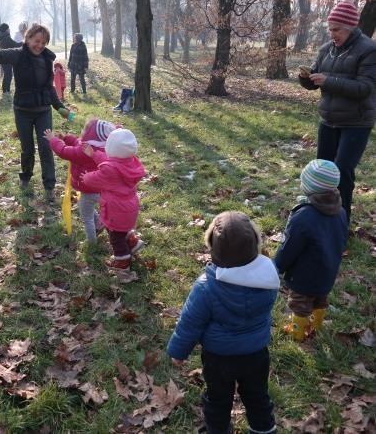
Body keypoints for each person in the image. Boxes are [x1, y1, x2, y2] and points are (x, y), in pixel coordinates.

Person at [167, 211, 278, 434]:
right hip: (256, 353)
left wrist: (178, 352)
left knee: (217, 399)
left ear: (213, 248)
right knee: (258, 396)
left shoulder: (206, 287)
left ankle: (217, 430)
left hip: (219, 358)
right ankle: (264, 430)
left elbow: (190, 322)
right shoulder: (268, 278)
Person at [0, 25, 73, 202]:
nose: (40, 45)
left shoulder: (46, 59)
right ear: (27, 39)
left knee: (46, 148)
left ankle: (49, 186)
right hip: (23, 111)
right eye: (36, 41)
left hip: (43, 111)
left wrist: (59, 107)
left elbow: (48, 88)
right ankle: (26, 177)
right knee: (27, 148)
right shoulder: (18, 54)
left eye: (43, 42)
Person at [298, 0, 376, 223]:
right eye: (330, 29)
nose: (332, 34)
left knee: (341, 172)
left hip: (356, 122)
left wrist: (328, 81)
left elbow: (366, 88)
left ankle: (341, 221)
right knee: (322, 172)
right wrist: (307, 79)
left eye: (336, 29)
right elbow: (318, 81)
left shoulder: (369, 50)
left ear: (351, 27)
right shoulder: (326, 49)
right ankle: (319, 218)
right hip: (329, 120)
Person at [274, 160, 348, 341]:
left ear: (308, 187)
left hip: (304, 273)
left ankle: (297, 332)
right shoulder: (341, 211)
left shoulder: (303, 216)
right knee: (320, 298)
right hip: (328, 269)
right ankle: (316, 324)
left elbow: (289, 246)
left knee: (299, 303)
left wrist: (278, 265)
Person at [43, 119, 118, 243]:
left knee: (86, 216)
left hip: (88, 190)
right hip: (102, 189)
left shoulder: (83, 152)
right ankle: (100, 222)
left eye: (84, 130)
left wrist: (53, 140)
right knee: (88, 208)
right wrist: (66, 137)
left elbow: (63, 151)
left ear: (91, 136)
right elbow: (78, 142)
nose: (82, 131)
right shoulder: (101, 148)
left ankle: (92, 242)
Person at [81, 128, 146, 270]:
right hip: (130, 207)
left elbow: (95, 178)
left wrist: (85, 177)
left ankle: (122, 263)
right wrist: (95, 155)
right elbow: (111, 162)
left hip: (116, 210)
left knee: (116, 239)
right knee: (120, 230)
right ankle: (133, 243)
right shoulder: (131, 163)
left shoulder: (109, 171)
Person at [0, 23, 21, 94]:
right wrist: (23, 43)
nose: (9, 30)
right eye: (8, 29)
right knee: (8, 74)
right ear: (6, 30)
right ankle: (6, 90)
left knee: (8, 74)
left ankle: (6, 90)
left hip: (3, 57)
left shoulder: (1, 36)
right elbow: (15, 45)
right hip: (6, 58)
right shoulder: (6, 38)